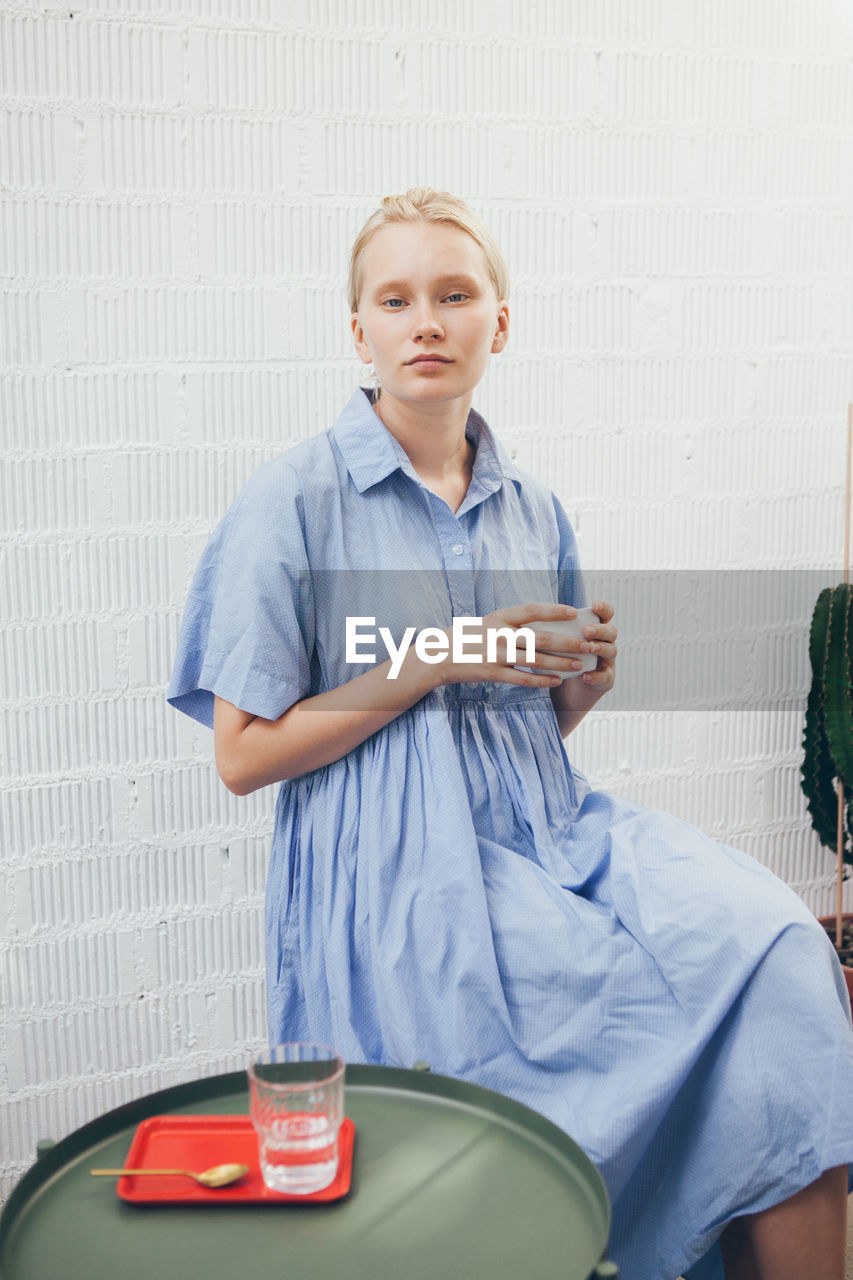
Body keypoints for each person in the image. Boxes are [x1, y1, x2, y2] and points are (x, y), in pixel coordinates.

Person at [167, 187, 853, 1279]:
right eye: (394, 300)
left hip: (553, 837)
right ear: (359, 331)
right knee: (544, 1080)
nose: (425, 321)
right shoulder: (291, 501)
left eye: (453, 294)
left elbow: (526, 728)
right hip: (394, 877)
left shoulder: (529, 503)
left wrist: (578, 687)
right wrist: (435, 652)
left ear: (499, 320)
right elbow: (242, 754)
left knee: (779, 955)